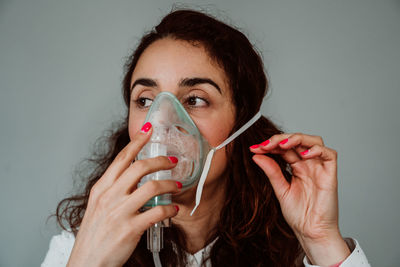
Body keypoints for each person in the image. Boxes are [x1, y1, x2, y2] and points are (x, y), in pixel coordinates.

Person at [42, 9, 370, 267]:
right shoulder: (76, 248)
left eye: (195, 99)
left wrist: (321, 240)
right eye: (145, 100)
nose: (163, 122)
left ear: (242, 122)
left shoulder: (297, 253)